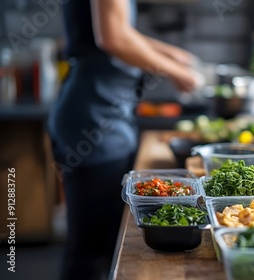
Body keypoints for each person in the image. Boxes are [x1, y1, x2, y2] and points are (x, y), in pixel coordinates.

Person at [48, 0, 200, 279]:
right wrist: (177, 71)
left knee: (102, 242)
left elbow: (122, 30)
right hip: (94, 120)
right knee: (92, 250)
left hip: (103, 112)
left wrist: (172, 54)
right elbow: (113, 37)